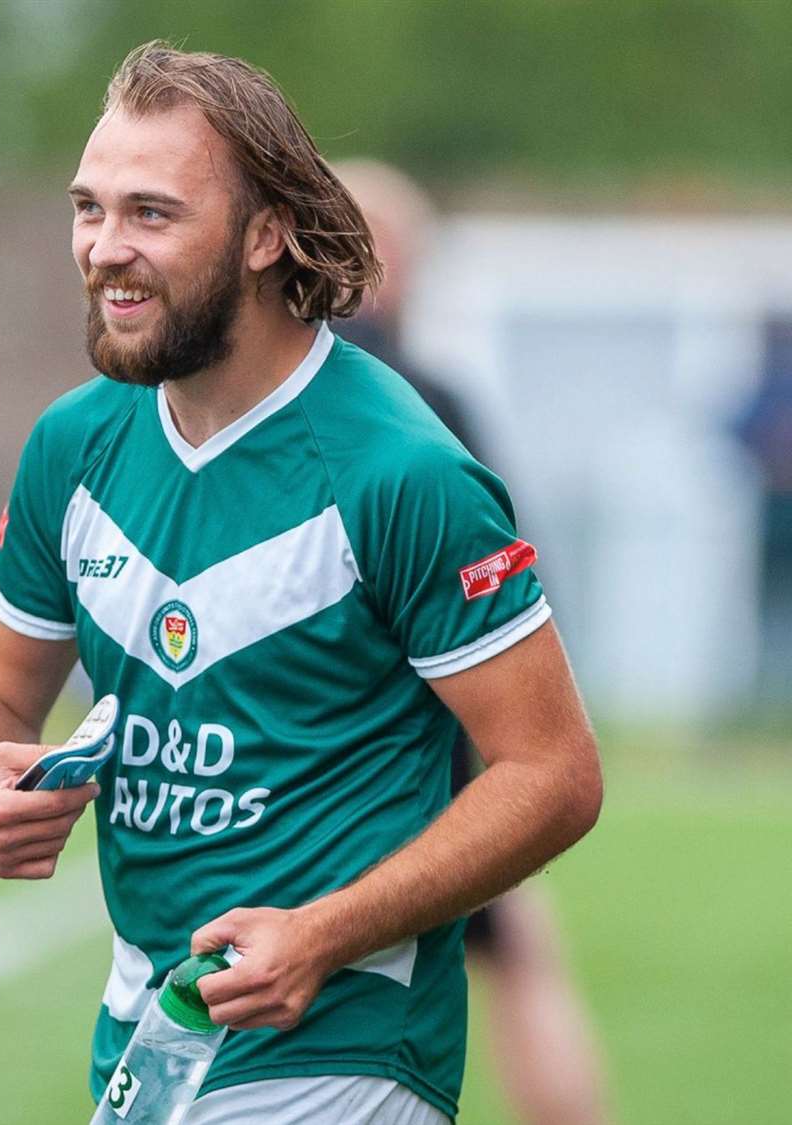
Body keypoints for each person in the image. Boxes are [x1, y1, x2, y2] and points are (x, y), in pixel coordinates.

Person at [0, 42, 603, 1125]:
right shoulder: (73, 446)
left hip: (344, 1042)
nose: (103, 249)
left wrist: (323, 933)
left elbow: (554, 773)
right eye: (88, 209)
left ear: (265, 233)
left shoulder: (401, 473)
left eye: (151, 213)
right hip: (150, 1042)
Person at [335, 159, 614, 1125]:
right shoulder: (424, 401)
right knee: (517, 960)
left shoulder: (256, 397)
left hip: (315, 748)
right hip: (427, 743)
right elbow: (504, 585)